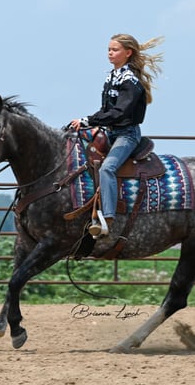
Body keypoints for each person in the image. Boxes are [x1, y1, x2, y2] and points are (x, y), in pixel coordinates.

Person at [69, 33, 164, 237]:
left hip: (126, 135)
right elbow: (106, 110)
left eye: (115, 50)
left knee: (107, 168)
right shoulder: (111, 76)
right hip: (109, 132)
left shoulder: (131, 81)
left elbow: (120, 112)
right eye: (109, 49)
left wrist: (88, 120)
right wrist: (92, 124)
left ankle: (108, 218)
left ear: (128, 53)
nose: (110, 53)